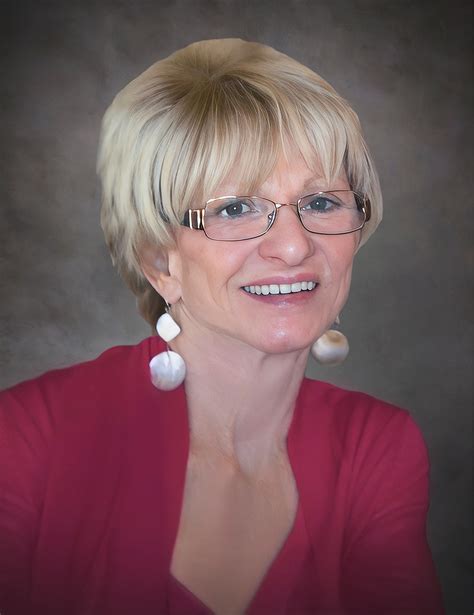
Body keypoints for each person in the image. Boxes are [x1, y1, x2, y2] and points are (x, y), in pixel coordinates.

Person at [0, 39, 444, 615]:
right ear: (160, 261)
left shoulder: (375, 447)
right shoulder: (26, 439)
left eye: (321, 203)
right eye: (235, 209)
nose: (293, 246)